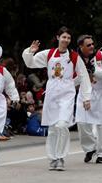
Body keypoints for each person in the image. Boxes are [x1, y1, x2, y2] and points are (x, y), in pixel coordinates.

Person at [22, 27, 92, 171]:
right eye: (64, 37)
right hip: (52, 94)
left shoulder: (74, 56)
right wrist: (30, 52)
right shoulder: (48, 54)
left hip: (67, 93)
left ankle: (61, 157)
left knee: (62, 125)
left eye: (68, 38)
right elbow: (30, 63)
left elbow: (84, 76)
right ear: (58, 37)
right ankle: (53, 158)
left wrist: (86, 97)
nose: (66, 40)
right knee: (53, 128)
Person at [75, 35, 102, 163]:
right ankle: (90, 148)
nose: (92, 46)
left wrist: (95, 70)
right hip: (85, 93)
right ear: (81, 47)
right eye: (88, 45)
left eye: (92, 44)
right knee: (81, 122)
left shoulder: (100, 56)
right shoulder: (75, 58)